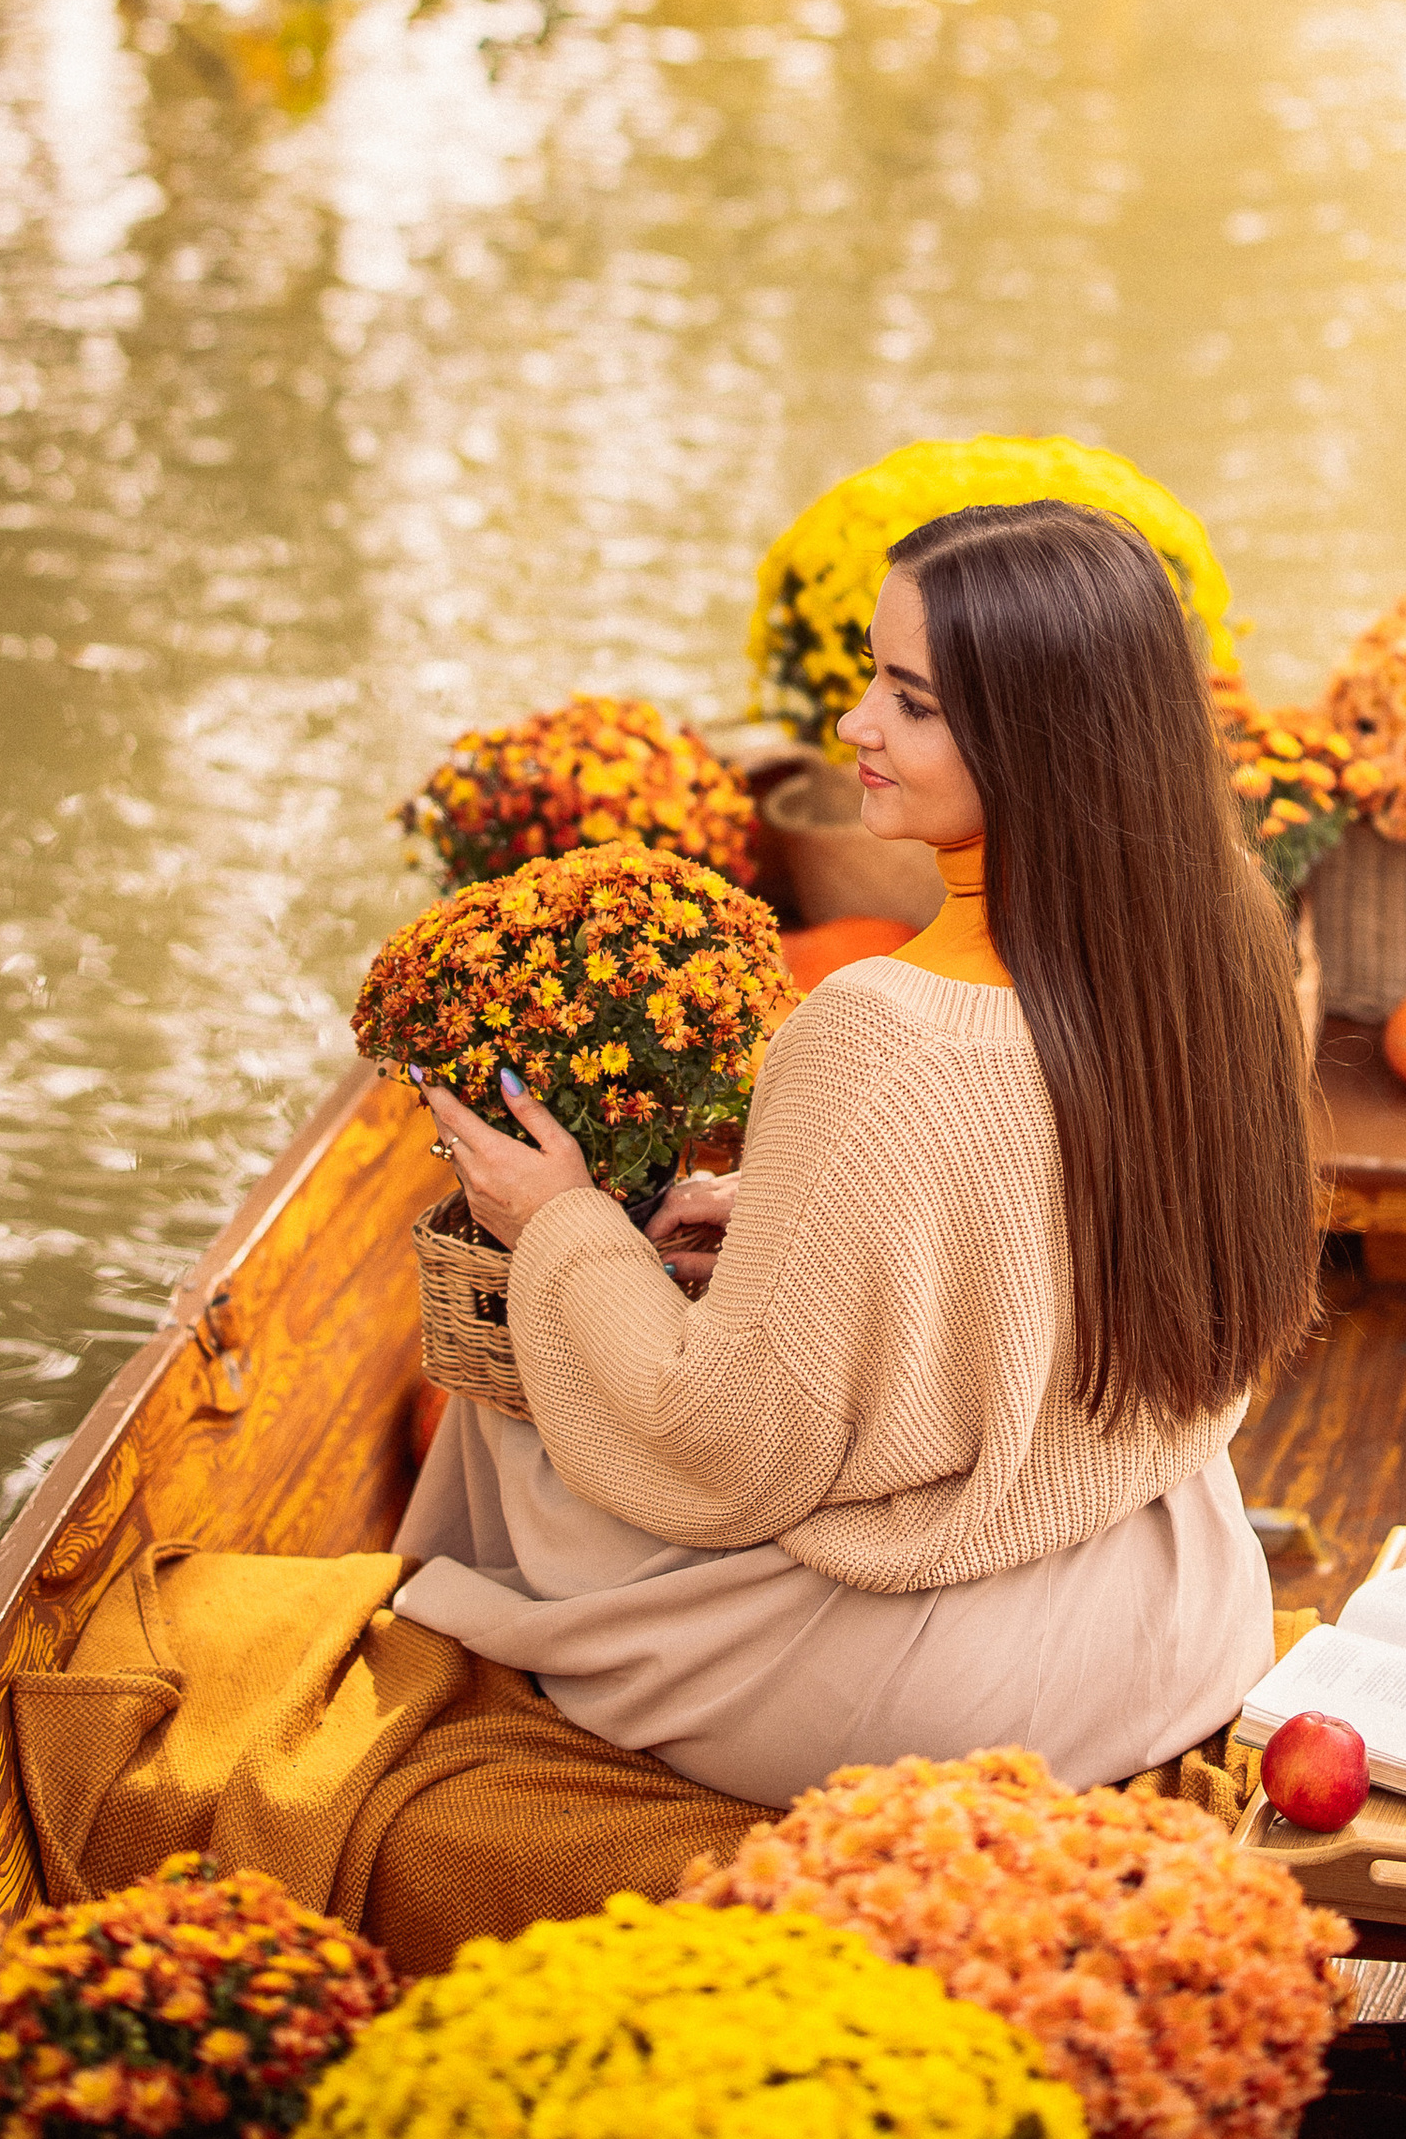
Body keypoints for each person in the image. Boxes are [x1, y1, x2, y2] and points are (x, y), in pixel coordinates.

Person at [400, 496, 1319, 1805]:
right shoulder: (1223, 926)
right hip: (1180, 1610)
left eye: (911, 701)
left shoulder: (878, 1030)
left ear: (1041, 741)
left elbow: (726, 1449)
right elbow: (1067, 1218)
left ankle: (421, 1683)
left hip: (947, 1697)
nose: (853, 727)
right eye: (871, 679)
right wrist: (790, 1217)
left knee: (512, 1403)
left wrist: (557, 1222)